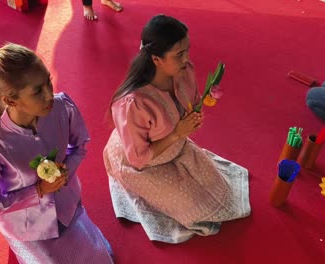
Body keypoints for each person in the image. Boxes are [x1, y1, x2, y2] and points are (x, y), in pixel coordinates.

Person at [103, 15, 251, 244]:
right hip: (144, 163)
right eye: (179, 54)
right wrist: (177, 134)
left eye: (186, 51)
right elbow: (138, 159)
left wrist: (198, 110)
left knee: (219, 190)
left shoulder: (184, 71)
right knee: (195, 208)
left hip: (176, 145)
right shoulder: (132, 103)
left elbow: (191, 100)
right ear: (156, 59)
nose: (187, 58)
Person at [0, 43, 114, 263]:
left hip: (68, 208)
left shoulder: (62, 107)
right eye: (38, 91)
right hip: (30, 226)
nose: (49, 94)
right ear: (11, 100)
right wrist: (38, 190)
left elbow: (80, 145)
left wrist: (65, 172)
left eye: (48, 80)